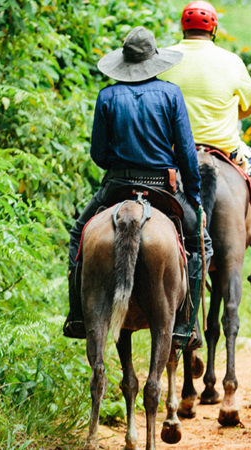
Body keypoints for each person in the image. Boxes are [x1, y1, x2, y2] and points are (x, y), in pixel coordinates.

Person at [62, 26, 212, 349]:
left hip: (117, 185)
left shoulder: (107, 96)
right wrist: (195, 199)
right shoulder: (171, 95)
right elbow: (187, 153)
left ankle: (78, 316)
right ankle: (185, 325)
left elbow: (98, 155)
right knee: (203, 246)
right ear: (153, 60)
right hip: (162, 188)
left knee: (78, 235)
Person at [160, 1, 251, 295]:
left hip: (175, 153)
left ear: (183, 28)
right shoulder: (231, 61)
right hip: (226, 150)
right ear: (213, 29)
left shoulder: (164, 59)